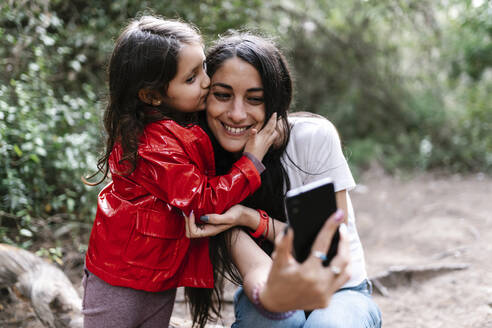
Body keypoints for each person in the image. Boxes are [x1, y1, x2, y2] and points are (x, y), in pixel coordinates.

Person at [81, 17, 279, 328]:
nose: (206, 81)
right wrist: (251, 161)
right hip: (121, 279)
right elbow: (203, 199)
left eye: (203, 68)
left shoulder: (179, 126)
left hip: (155, 273)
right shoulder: (153, 145)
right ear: (151, 96)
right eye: (191, 78)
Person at [185, 33, 382, 327]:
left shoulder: (312, 138)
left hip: (341, 290)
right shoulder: (203, 169)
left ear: (276, 101)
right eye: (223, 95)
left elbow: (327, 251)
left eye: (254, 99)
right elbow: (255, 270)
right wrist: (274, 299)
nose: (237, 114)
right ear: (204, 98)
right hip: (268, 289)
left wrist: (251, 219)